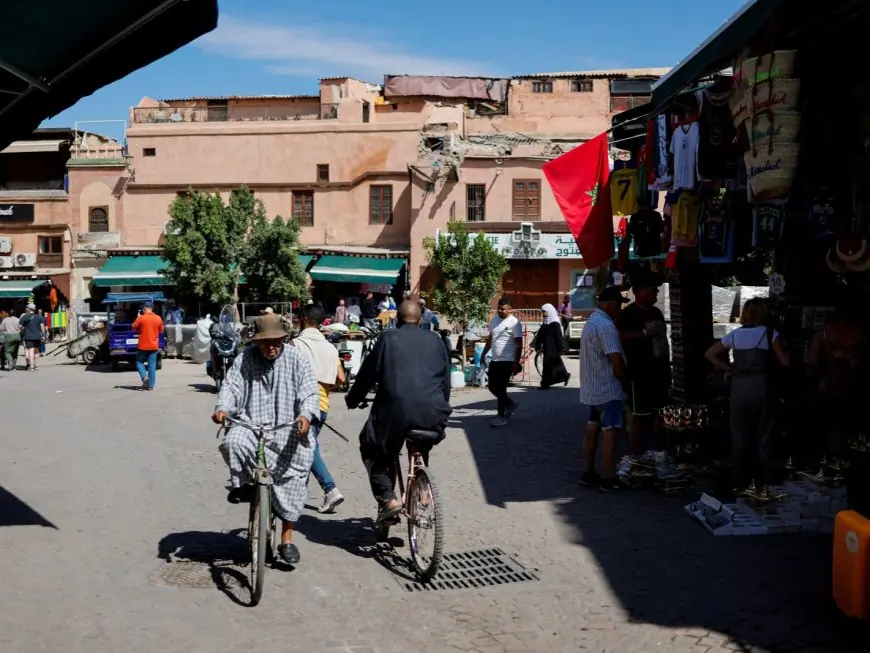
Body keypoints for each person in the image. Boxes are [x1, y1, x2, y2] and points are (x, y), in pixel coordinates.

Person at [212, 313, 320, 565]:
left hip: (288, 430)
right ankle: (247, 484)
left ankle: (287, 537)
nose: (271, 347)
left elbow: (310, 393)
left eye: (276, 342)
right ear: (255, 342)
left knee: (295, 480)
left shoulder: (297, 359)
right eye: (265, 342)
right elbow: (231, 387)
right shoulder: (245, 359)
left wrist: (305, 415)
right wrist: (223, 408)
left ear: (284, 339)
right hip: (251, 425)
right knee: (232, 442)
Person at [345, 300, 452, 522]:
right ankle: (423, 490)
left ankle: (389, 499)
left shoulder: (387, 338)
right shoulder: (436, 340)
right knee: (421, 447)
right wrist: (441, 408)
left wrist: (353, 399)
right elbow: (446, 381)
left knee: (371, 446)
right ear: (421, 320)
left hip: (394, 414)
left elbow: (367, 374)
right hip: (433, 411)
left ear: (396, 320)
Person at [705, 298, 789, 490]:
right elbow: (784, 362)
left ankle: (739, 482)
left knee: (739, 434)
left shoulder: (735, 335)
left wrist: (728, 368)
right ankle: (765, 483)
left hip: (739, 387)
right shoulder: (769, 334)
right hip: (761, 386)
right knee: (765, 433)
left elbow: (710, 354)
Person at [292, 304, 346, 514]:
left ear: (304, 319)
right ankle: (299, 493)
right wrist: (326, 387)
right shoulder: (330, 348)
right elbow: (341, 378)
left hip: (304, 406)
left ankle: (330, 489)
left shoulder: (296, 344)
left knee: (308, 448)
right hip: (322, 404)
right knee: (306, 447)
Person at [579, 287, 629, 492]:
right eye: (618, 305)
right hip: (608, 389)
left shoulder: (591, 322)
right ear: (609, 305)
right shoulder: (606, 326)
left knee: (592, 430)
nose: (620, 309)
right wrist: (625, 381)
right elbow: (615, 359)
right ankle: (608, 478)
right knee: (610, 432)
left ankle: (588, 472)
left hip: (592, 389)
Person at [618, 282, 669, 454]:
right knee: (639, 414)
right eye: (653, 289)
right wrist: (645, 333)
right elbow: (620, 336)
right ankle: (635, 455)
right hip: (639, 371)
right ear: (641, 291)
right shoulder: (628, 314)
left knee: (659, 412)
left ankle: (658, 451)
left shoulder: (656, 312)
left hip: (659, 369)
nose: (656, 293)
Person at [482, 297, 523, 427]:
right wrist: (483, 353)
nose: (500, 311)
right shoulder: (494, 320)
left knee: (501, 387)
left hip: (508, 360)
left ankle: (501, 416)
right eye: (499, 308)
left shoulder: (514, 323)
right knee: (492, 386)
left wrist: (516, 362)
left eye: (503, 309)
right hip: (495, 359)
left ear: (509, 309)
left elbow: (519, 344)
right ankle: (510, 404)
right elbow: (490, 339)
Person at [531, 304, 570, 389]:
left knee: (547, 364)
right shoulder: (546, 322)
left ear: (549, 311)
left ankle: (545, 384)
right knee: (556, 363)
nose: (543, 313)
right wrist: (534, 345)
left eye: (544, 312)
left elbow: (559, 336)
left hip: (553, 347)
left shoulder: (555, 323)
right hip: (547, 346)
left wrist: (563, 347)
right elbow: (540, 335)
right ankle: (564, 375)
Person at [132, 300, 164, 391]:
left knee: (139, 362)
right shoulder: (158, 318)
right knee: (152, 366)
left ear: (145, 308)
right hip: (153, 345)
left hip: (142, 345)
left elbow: (133, 328)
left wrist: (138, 318)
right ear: (152, 309)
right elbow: (161, 330)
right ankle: (150, 385)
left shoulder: (141, 318)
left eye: (143, 308)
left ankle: (144, 377)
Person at [19, 303, 44, 371]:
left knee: (30, 350)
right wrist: (43, 335)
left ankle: (32, 366)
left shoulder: (24, 317)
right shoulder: (39, 317)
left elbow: (20, 326)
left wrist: (22, 329)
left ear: (29, 309)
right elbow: (42, 327)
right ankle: (36, 365)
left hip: (28, 336)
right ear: (35, 309)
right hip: (37, 336)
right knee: (36, 351)